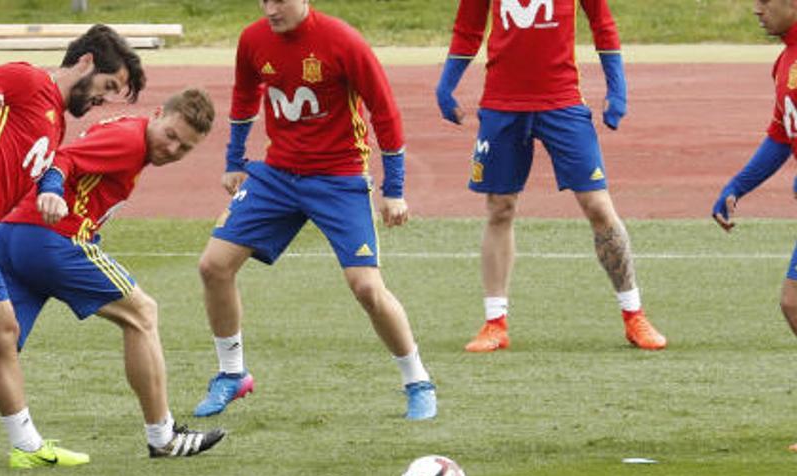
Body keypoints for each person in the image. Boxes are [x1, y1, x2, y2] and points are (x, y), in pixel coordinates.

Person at [0, 89, 226, 463]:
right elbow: (60, 158)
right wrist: (52, 192)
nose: (172, 149)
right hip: (50, 241)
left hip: (11, 235)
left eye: (185, 148)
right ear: (158, 113)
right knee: (142, 313)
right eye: (171, 136)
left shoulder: (129, 135)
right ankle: (164, 437)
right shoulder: (129, 139)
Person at [192, 0, 437, 421]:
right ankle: (232, 374)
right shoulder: (252, 39)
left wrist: (394, 190)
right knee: (213, 266)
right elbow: (245, 94)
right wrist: (234, 160)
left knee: (366, 287)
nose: (270, 9)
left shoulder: (342, 41)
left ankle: (418, 381)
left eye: (279, 0)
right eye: (263, 0)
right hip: (277, 175)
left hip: (338, 179)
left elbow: (384, 110)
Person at [0, 24, 145, 471]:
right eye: (107, 86)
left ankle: (27, 445)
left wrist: (54, 187)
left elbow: (44, 163)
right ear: (85, 63)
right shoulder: (28, 80)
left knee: (3, 335)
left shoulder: (54, 119)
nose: (104, 99)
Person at [435, 0, 667, 352]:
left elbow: (602, 24)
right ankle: (495, 322)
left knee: (598, 206)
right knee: (499, 207)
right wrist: (446, 84)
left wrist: (617, 89)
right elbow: (468, 28)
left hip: (562, 102)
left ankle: (634, 315)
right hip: (502, 104)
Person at [711, 0, 797, 452]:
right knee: (793, 303)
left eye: (765, 0)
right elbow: (782, 135)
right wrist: (737, 186)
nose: (755, 8)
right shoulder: (785, 60)